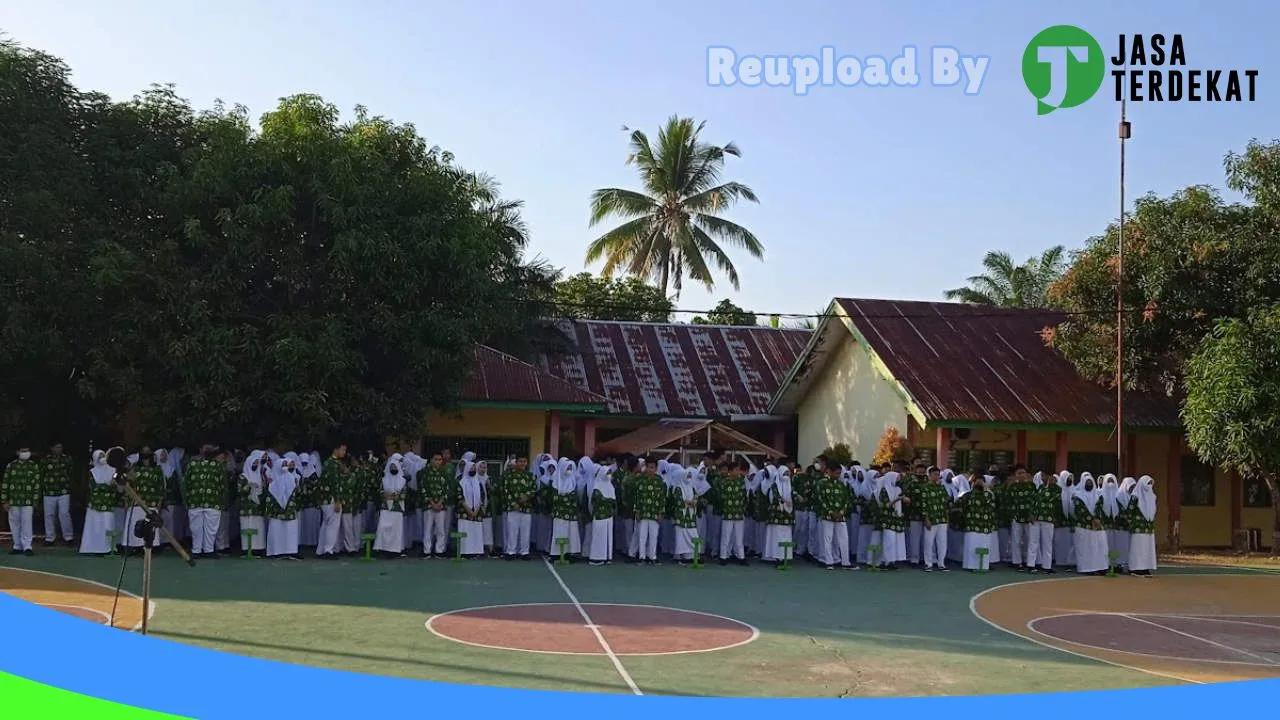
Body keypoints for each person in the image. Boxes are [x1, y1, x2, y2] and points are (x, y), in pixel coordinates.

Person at [122, 448, 166, 554]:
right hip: (136, 502)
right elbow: (128, 485)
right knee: (135, 525)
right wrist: (126, 501)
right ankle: (135, 547)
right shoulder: (134, 468)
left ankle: (151, 548)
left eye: (148, 452)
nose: (146, 454)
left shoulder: (157, 469)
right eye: (144, 452)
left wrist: (159, 503)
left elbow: (160, 487)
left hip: (152, 502)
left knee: (150, 526)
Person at [185, 445, 225, 559]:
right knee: (195, 528)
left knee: (211, 529)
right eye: (205, 448)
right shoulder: (192, 465)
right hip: (195, 501)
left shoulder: (218, 466)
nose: (207, 450)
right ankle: (196, 550)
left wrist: (221, 499)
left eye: (210, 448)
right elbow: (186, 483)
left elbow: (223, 484)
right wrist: (187, 499)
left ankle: (209, 550)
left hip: (213, 501)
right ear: (201, 450)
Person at [814, 462, 854, 569]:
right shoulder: (822, 483)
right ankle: (828, 562)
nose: (838, 475)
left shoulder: (841, 485)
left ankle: (845, 562)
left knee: (844, 538)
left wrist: (841, 512)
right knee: (828, 539)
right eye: (836, 473)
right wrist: (831, 512)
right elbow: (821, 499)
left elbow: (846, 499)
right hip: (827, 516)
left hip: (841, 517)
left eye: (839, 473)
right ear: (829, 472)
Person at [79, 450, 117, 555]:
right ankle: (92, 548)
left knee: (108, 525)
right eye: (99, 456)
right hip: (94, 503)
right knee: (95, 527)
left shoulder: (113, 471)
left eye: (103, 455)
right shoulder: (92, 472)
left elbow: (115, 486)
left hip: (108, 503)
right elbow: (92, 488)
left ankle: (108, 548)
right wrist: (107, 486)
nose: (102, 458)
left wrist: (106, 487)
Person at [265, 453, 303, 559]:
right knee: (276, 531)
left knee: (290, 531)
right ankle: (275, 551)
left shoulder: (292, 478)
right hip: (276, 512)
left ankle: (291, 551)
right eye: (283, 465)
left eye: (287, 465)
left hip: (290, 510)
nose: (285, 467)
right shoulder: (272, 481)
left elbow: (297, 493)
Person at [1071, 473, 1109, 575]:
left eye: (1090, 482)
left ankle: (1100, 567)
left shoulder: (1098, 496)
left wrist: (1097, 519)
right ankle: (1086, 568)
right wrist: (1092, 519)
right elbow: (1080, 509)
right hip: (1083, 527)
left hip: (1096, 527)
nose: (1089, 484)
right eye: (1087, 482)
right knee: (1085, 549)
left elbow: (1099, 508)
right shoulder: (1077, 496)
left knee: (1099, 548)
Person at [959, 468, 997, 571]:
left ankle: (984, 566)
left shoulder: (989, 494)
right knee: (971, 546)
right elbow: (962, 507)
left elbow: (991, 506)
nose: (979, 483)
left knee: (984, 545)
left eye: (981, 481)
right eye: (977, 481)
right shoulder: (968, 495)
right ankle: (970, 566)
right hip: (972, 525)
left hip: (985, 526)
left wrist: (985, 488)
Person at [40, 442, 75, 546]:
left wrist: (69, 486)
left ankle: (68, 537)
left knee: (64, 514)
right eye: (57, 447)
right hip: (49, 491)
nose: (59, 449)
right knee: (49, 515)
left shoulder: (67, 459)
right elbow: (42, 474)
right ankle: (49, 538)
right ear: (52, 448)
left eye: (61, 447)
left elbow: (71, 473)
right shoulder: (45, 460)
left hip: (64, 491)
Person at [916, 466, 951, 572]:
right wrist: (926, 519)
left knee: (942, 542)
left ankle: (941, 563)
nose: (937, 476)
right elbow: (923, 505)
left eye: (938, 474)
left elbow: (946, 504)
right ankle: (928, 563)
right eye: (935, 474)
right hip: (931, 519)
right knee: (928, 542)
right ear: (929, 475)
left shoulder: (942, 488)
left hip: (942, 519)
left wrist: (947, 519)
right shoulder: (925, 488)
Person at [501, 455, 536, 559]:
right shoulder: (509, 476)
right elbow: (506, 490)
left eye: (524, 461)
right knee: (512, 530)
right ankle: (511, 551)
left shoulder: (530, 475)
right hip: (513, 508)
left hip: (526, 507)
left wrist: (527, 496)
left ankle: (524, 552)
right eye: (520, 461)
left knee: (525, 531)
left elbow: (534, 488)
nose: (522, 463)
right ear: (516, 462)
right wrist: (513, 503)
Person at [315, 445, 346, 559]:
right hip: (331, 499)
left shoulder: (328, 463)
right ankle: (329, 550)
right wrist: (338, 500)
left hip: (325, 498)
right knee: (333, 525)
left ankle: (321, 550)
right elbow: (335, 483)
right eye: (342, 450)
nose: (344, 452)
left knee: (326, 524)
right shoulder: (334, 464)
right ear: (335, 450)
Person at [631, 458, 664, 565]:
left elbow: (662, 498)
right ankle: (642, 557)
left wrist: (660, 513)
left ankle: (652, 556)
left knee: (654, 536)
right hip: (643, 512)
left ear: (656, 468)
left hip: (655, 513)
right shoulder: (640, 480)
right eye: (648, 467)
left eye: (652, 467)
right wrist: (637, 511)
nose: (650, 470)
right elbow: (637, 497)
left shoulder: (659, 481)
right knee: (642, 536)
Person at [373, 453, 407, 558]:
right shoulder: (384, 479)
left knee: (396, 529)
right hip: (385, 507)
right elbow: (380, 492)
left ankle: (394, 550)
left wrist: (395, 497)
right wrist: (387, 495)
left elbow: (404, 494)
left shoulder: (403, 480)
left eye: (395, 467)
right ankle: (382, 548)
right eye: (391, 467)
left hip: (397, 508)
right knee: (383, 528)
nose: (393, 468)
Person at [236, 450, 269, 556]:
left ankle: (258, 549)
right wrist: (249, 486)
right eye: (253, 463)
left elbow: (263, 493)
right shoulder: (243, 476)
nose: (255, 465)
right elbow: (240, 490)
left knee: (258, 528)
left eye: (256, 463)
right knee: (247, 526)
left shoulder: (260, 477)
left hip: (257, 508)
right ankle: (246, 549)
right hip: (246, 507)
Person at [1026, 470, 1060, 574]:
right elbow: (1034, 501)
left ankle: (1047, 566)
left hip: (1048, 519)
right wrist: (1031, 513)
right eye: (1042, 476)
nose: (1043, 478)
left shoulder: (1057, 490)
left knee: (1047, 543)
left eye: (1045, 476)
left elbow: (1049, 501)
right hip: (1035, 519)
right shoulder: (1039, 488)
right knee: (1033, 542)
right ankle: (1031, 565)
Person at [547, 458, 581, 560]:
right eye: (567, 468)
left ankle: (570, 553)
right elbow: (554, 498)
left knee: (572, 534)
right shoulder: (555, 482)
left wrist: (564, 498)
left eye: (570, 468)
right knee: (559, 532)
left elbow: (574, 497)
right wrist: (567, 498)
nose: (569, 470)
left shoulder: (573, 481)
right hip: (560, 513)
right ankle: (556, 554)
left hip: (571, 514)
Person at [1005, 465, 1037, 572]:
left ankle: (1030, 564)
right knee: (1016, 541)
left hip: (1030, 518)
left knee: (1031, 541)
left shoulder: (1032, 486)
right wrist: (1012, 515)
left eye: (1023, 473)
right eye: (1019, 473)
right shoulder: (1012, 487)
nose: (1022, 475)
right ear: (1015, 476)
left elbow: (1035, 500)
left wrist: (1033, 513)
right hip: (1017, 517)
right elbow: (1008, 502)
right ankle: (1017, 563)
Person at [420, 452, 452, 558]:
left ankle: (439, 551)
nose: (438, 461)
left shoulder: (444, 473)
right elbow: (423, 489)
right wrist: (432, 503)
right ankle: (427, 551)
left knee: (440, 529)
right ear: (431, 460)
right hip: (429, 506)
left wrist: (440, 502)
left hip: (441, 506)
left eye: (440, 459)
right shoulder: (425, 473)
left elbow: (447, 490)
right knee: (427, 529)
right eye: (436, 459)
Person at [716, 459, 749, 566]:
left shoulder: (741, 481)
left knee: (739, 537)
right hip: (728, 513)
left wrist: (743, 508)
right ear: (730, 471)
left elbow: (745, 496)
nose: (738, 472)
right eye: (736, 470)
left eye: (738, 470)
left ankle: (741, 557)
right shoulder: (724, 482)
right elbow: (721, 497)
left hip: (739, 513)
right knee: (726, 536)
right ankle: (723, 557)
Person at [668, 465, 702, 564]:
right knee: (681, 536)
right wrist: (688, 503)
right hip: (681, 517)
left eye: (690, 476)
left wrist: (695, 501)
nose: (689, 478)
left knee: (693, 534)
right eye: (687, 476)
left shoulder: (692, 487)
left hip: (691, 517)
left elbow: (696, 496)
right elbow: (677, 501)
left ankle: (693, 555)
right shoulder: (678, 488)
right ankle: (681, 556)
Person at [1127, 475, 1158, 577]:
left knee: (1147, 548)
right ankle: (1136, 569)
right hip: (1138, 528)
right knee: (1138, 549)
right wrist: (1132, 523)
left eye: (1150, 483)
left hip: (1148, 528)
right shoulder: (1135, 496)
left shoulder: (1153, 496)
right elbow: (1130, 511)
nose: (1149, 485)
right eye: (1147, 483)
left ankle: (1145, 568)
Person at [457, 459, 487, 558]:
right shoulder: (461, 482)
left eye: (474, 467)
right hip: (464, 512)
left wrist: (476, 510)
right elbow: (459, 497)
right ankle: (465, 552)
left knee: (475, 532)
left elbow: (482, 497)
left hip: (476, 513)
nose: (473, 469)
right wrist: (469, 510)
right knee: (465, 531)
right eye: (471, 467)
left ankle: (475, 551)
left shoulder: (477, 483)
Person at [587, 464, 617, 565]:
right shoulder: (597, 486)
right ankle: (596, 557)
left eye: (610, 473)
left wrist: (609, 502)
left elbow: (614, 502)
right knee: (599, 537)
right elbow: (597, 500)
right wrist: (609, 501)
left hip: (609, 516)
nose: (609, 475)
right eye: (607, 473)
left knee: (608, 537)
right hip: (600, 516)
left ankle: (607, 556)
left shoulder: (611, 486)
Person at [1054, 471, 1076, 569]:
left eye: (1070, 478)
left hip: (1071, 522)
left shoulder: (1073, 490)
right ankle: (1059, 561)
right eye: (1067, 478)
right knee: (1059, 542)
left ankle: (1069, 562)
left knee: (1070, 543)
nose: (1069, 480)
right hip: (1059, 522)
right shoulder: (1058, 491)